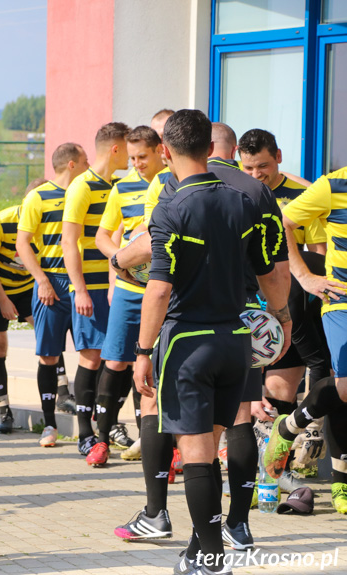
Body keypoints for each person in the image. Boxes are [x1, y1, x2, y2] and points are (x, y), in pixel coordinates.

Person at [133, 109, 289, 575]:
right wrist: (278, 322)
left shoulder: (170, 207)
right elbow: (271, 273)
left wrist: (143, 352)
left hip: (189, 344)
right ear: (213, 149)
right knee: (216, 444)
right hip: (238, 341)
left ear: (166, 152)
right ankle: (205, 545)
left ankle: (208, 555)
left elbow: (158, 290)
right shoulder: (243, 202)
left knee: (197, 455)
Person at [265, 164, 347, 515]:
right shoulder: (332, 185)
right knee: (344, 387)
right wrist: (303, 275)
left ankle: (342, 480)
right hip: (341, 301)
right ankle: (289, 427)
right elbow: (282, 223)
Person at [91, 125, 166, 466]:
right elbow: (102, 236)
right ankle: (101, 440)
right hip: (127, 290)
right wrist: (119, 262)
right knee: (116, 361)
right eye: (132, 157)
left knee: (153, 364)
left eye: (142, 157)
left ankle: (150, 443)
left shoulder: (172, 184)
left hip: (163, 290)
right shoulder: (121, 189)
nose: (136, 163)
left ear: (159, 152)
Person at [62, 122, 130, 457]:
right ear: (116, 148)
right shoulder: (82, 186)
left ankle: (110, 425)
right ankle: (84, 434)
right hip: (90, 288)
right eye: (128, 149)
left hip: (118, 287)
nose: (133, 157)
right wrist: (80, 290)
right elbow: (68, 242)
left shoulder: (119, 186)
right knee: (90, 357)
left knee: (120, 360)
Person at [16, 144, 89, 447]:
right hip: (53, 285)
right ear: (71, 165)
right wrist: (42, 281)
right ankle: (49, 424)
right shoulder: (38, 196)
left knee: (92, 355)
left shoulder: (90, 192)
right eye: (85, 161)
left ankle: (92, 428)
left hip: (86, 284)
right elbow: (23, 244)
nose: (89, 165)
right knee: (48, 355)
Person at [0, 178, 43, 433]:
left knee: (48, 331)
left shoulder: (49, 222)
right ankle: (3, 409)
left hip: (28, 286)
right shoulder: (2, 220)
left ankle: (63, 392)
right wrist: (3, 299)